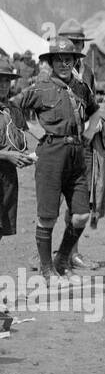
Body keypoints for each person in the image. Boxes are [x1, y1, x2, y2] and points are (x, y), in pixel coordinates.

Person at [15, 38, 97, 280]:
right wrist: (36, 132)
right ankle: (47, 269)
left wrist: (89, 133)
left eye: (68, 60)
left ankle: (61, 258)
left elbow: (95, 110)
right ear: (51, 63)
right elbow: (14, 107)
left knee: (81, 214)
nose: (63, 64)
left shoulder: (81, 88)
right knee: (48, 215)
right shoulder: (40, 88)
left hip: (77, 153)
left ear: (74, 62)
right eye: (59, 60)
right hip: (51, 152)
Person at [0, 58, 36, 254]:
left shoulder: (13, 111)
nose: (3, 85)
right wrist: (7, 156)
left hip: (7, 178)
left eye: (7, 80)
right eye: (0, 80)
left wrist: (24, 157)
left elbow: (25, 134)